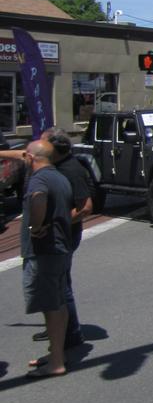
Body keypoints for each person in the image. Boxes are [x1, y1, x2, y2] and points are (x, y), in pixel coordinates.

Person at [21, 140, 73, 379]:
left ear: (32, 158)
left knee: (51, 306)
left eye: (25, 156)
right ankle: (56, 354)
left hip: (45, 251)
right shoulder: (59, 177)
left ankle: (56, 362)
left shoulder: (39, 179)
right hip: (60, 248)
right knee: (59, 303)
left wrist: (34, 226)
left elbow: (38, 198)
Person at [36, 127, 91, 350]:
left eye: (43, 144)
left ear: (54, 147)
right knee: (52, 285)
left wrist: (57, 221)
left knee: (61, 285)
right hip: (52, 236)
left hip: (64, 236)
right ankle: (55, 326)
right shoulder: (52, 165)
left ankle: (71, 332)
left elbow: (86, 207)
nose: (39, 148)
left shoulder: (71, 169)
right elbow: (25, 155)